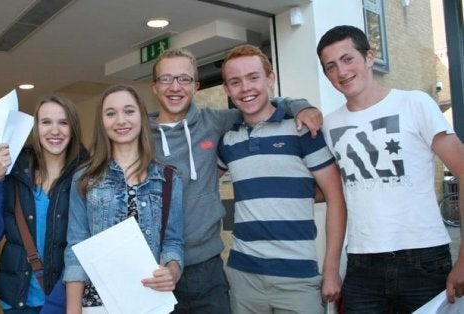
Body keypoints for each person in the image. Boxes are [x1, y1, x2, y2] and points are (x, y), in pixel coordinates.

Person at [148, 47, 324, 313]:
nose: (175, 87)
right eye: (166, 79)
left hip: (206, 267)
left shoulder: (216, 122)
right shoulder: (138, 136)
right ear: (154, 87)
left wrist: (300, 105)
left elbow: (261, 105)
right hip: (153, 267)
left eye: (183, 79)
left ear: (195, 86)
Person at [317, 25, 464, 312]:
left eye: (348, 59)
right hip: (362, 265)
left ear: (369, 57)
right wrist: (331, 268)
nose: (341, 72)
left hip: (424, 260)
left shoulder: (414, 103)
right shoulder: (329, 125)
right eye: (331, 66)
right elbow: (335, 198)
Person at [216, 44, 347, 313]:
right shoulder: (228, 139)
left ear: (270, 79)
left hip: (298, 278)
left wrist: (331, 270)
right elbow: (200, 187)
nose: (245, 88)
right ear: (227, 90)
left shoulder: (302, 129)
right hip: (243, 277)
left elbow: (336, 197)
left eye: (253, 77)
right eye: (235, 82)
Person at [63, 84, 184, 313]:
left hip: (150, 301)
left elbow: (173, 242)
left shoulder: (168, 178)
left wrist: (172, 272)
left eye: (129, 111)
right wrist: (73, 310)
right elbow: (75, 247)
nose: (121, 120)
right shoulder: (84, 178)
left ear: (141, 116)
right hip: (97, 305)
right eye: (111, 113)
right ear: (102, 122)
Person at [0, 95, 87, 313]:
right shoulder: (14, 175)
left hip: (65, 301)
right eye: (46, 122)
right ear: (36, 129)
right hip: (18, 302)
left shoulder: (86, 178)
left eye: (63, 123)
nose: (54, 131)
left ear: (73, 129)